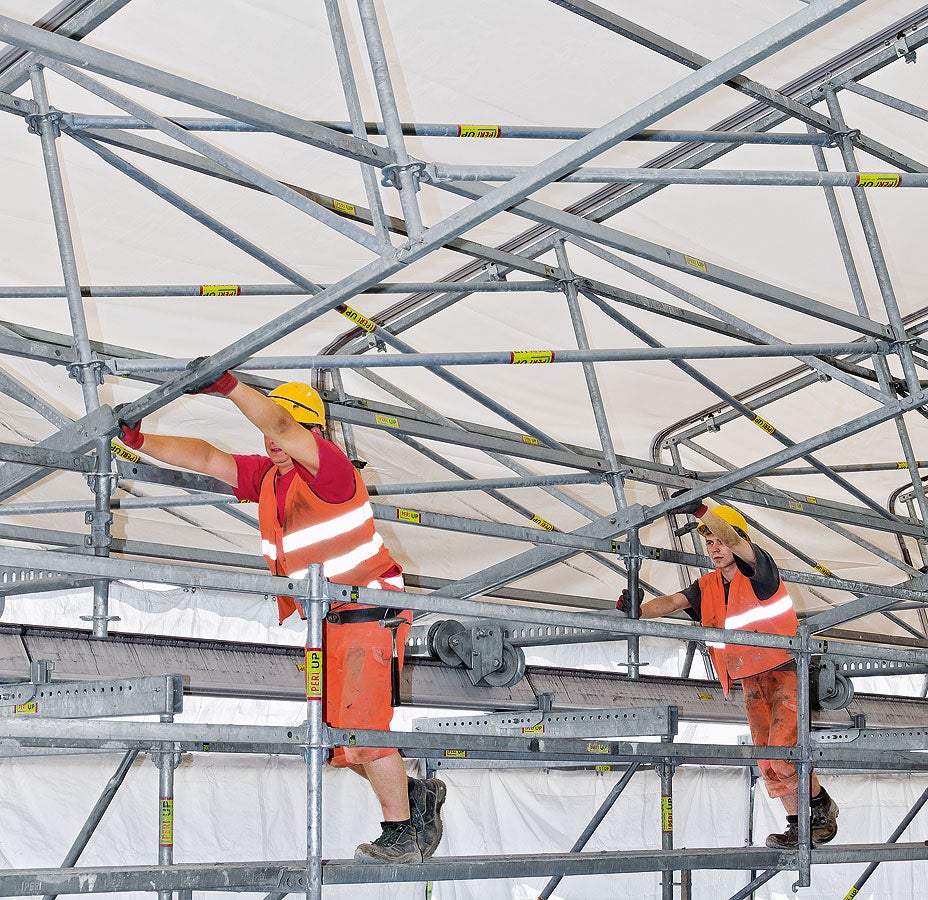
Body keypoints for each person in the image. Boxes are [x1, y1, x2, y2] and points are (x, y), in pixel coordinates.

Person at [118, 370, 446, 864]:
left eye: (282, 431)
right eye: (267, 434)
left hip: (369, 609)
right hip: (329, 619)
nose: (270, 439)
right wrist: (139, 440)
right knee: (337, 740)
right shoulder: (271, 477)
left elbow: (280, 423)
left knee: (361, 727)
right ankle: (415, 795)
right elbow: (208, 458)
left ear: (311, 432)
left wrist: (230, 387)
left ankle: (402, 830)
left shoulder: (330, 472)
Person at [618, 505, 838, 849]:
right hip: (751, 680)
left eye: (719, 540)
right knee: (766, 759)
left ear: (736, 540)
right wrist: (636, 610)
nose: (715, 548)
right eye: (708, 543)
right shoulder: (706, 586)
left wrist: (704, 510)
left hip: (786, 672)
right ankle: (799, 825)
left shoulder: (759, 571)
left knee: (784, 752)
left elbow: (736, 541)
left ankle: (821, 807)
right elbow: (673, 602)